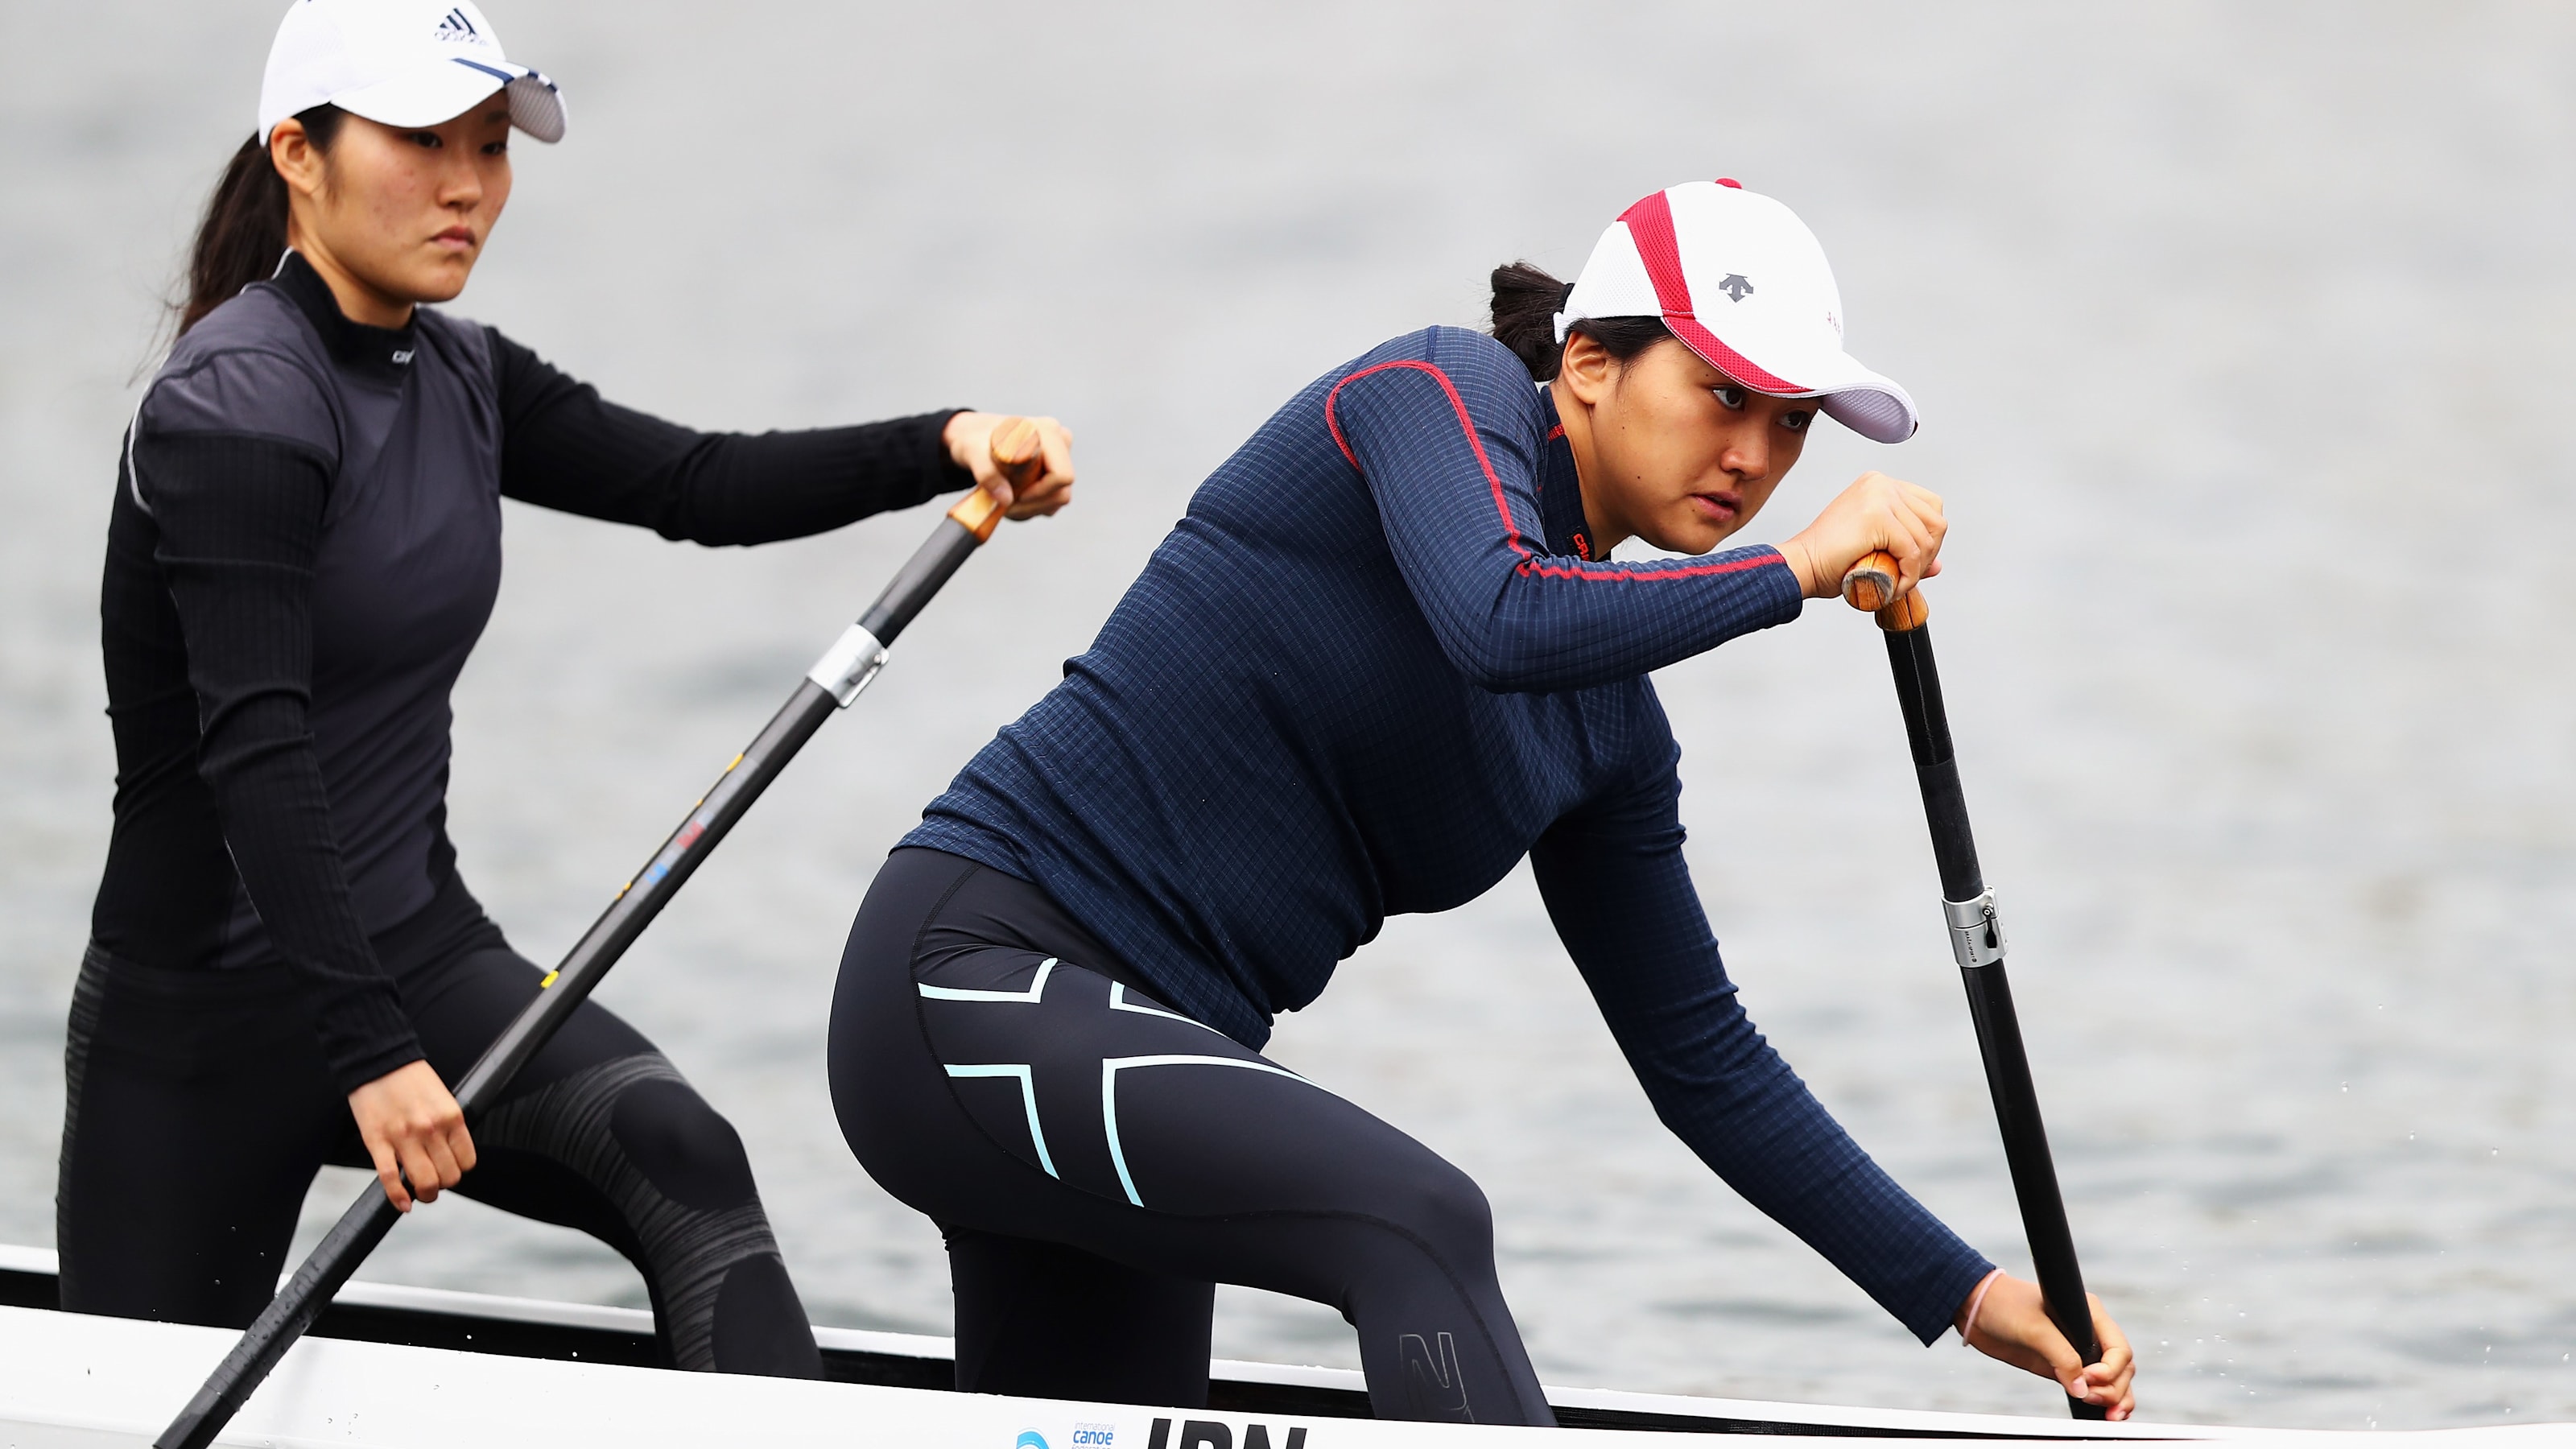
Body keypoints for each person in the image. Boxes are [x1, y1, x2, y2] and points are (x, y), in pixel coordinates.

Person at [828, 180, 2135, 1422]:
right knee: (1419, 1219)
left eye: (1790, 423)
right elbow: (1499, 615)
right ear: (1588, 364)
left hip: (1147, 1073)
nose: (1753, 453)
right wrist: (1794, 571)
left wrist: (1968, 1296)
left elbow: (1705, 1065)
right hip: (968, 979)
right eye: (1721, 394)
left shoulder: (1611, 728)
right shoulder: (1435, 392)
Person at [57, 0, 1072, 1378]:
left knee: (684, 1158)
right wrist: (367, 1054)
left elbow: (698, 485)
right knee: (132, 1385)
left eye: (490, 145)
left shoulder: (464, 375)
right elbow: (259, 749)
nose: (470, 184)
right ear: (298, 152)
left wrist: (947, 439)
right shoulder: (236, 406)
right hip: (202, 1025)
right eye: (424, 142)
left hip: (420, 962)